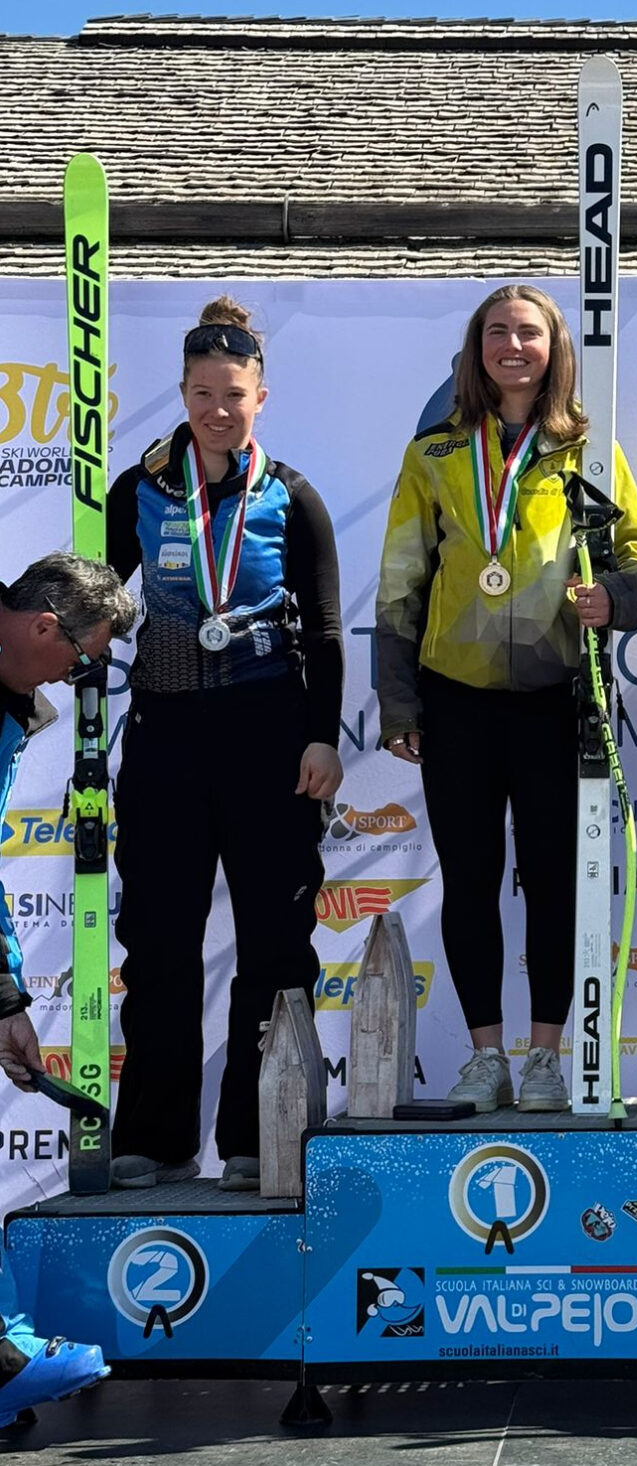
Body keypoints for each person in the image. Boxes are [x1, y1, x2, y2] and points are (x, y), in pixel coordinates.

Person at [376, 284, 637, 1113]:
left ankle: (545, 1058)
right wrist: (399, 703)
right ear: (476, 350)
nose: (512, 345)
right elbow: (400, 585)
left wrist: (615, 597)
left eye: (528, 332)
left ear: (553, 348)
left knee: (554, 882)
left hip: (553, 697)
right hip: (456, 699)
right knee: (469, 881)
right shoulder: (433, 454)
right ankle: (484, 1057)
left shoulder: (588, 450)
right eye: (496, 331)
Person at [106, 298, 345, 1192]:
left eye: (234, 394)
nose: (218, 409)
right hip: (165, 733)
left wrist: (323, 737)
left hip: (268, 736)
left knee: (277, 945)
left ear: (260, 398)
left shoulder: (292, 496)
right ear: (182, 394)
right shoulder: (138, 491)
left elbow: (326, 630)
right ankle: (155, 1137)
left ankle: (261, 1132)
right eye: (203, 393)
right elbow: (96, 598)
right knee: (160, 942)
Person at [0, 552, 136, 1424]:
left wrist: (8, 998)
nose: (80, 676)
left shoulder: (13, 705)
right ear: (46, 626)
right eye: (84, 658)